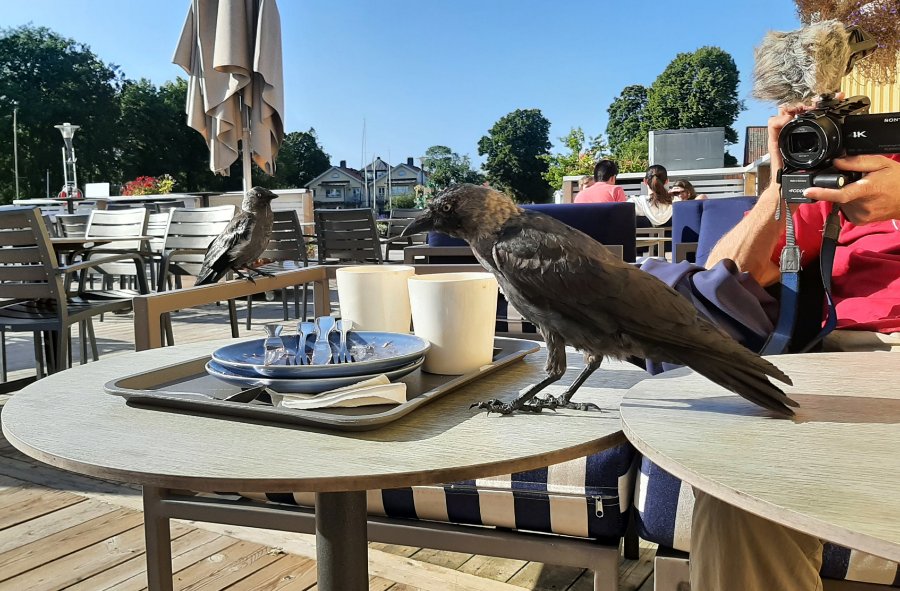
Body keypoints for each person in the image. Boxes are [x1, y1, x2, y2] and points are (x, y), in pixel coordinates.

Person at [691, 100, 900, 591]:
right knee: (738, 494)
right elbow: (724, 280)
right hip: (837, 365)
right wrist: (780, 184)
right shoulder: (839, 179)